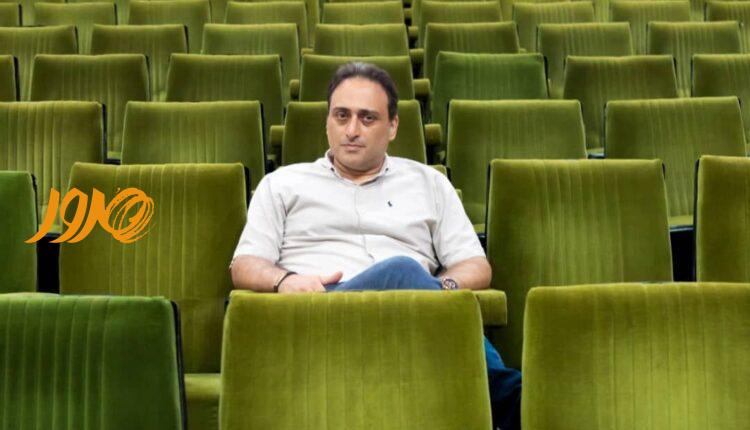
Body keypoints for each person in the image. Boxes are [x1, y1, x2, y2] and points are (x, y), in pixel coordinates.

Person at [230, 62, 521, 429]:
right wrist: (285, 280)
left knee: (411, 279)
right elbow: (244, 265)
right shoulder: (282, 184)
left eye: (367, 118)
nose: (352, 130)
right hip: (317, 310)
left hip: (412, 315)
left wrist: (440, 290)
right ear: (327, 121)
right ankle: (511, 401)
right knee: (402, 270)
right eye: (341, 116)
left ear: (393, 126)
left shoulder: (429, 183)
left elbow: (475, 265)